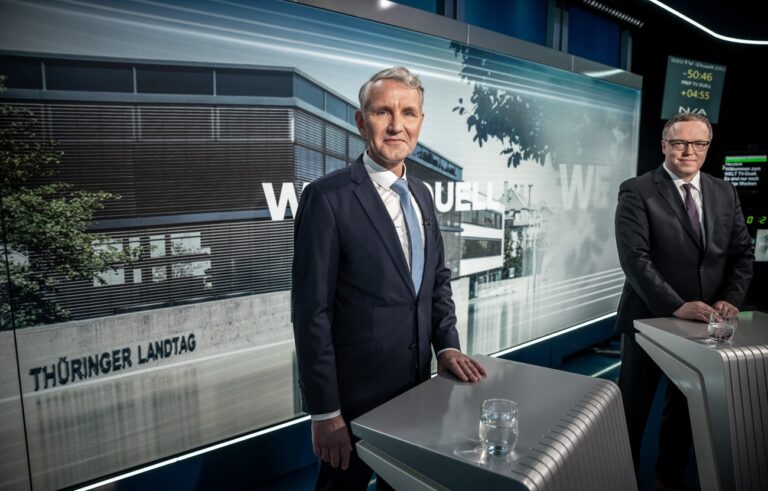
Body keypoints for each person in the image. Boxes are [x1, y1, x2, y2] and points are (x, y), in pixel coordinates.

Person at [292, 66, 486, 491]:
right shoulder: (326, 199)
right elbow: (311, 314)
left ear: (420, 122)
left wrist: (447, 344)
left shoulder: (421, 194)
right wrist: (325, 412)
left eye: (409, 113)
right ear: (362, 122)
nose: (397, 125)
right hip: (354, 402)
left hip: (419, 389)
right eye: (383, 112)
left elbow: (436, 281)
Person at [614, 112, 753, 490]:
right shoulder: (637, 190)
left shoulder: (725, 192)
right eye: (679, 143)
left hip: (706, 325)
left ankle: (667, 480)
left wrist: (730, 299)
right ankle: (619, 479)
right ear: (664, 145)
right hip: (649, 322)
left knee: (686, 411)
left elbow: (742, 254)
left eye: (698, 144)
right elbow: (634, 260)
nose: (688, 151)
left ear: (708, 147)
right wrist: (676, 305)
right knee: (633, 410)